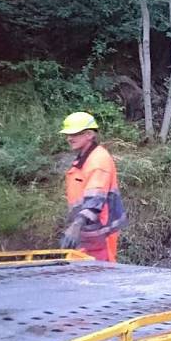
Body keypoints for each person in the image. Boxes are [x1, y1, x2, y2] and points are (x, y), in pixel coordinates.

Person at [59, 112, 127, 262]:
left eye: (74, 134)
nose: (69, 138)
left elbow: (94, 201)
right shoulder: (85, 158)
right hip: (89, 233)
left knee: (100, 278)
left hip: (100, 233)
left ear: (89, 134)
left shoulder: (98, 161)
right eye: (68, 134)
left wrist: (75, 227)